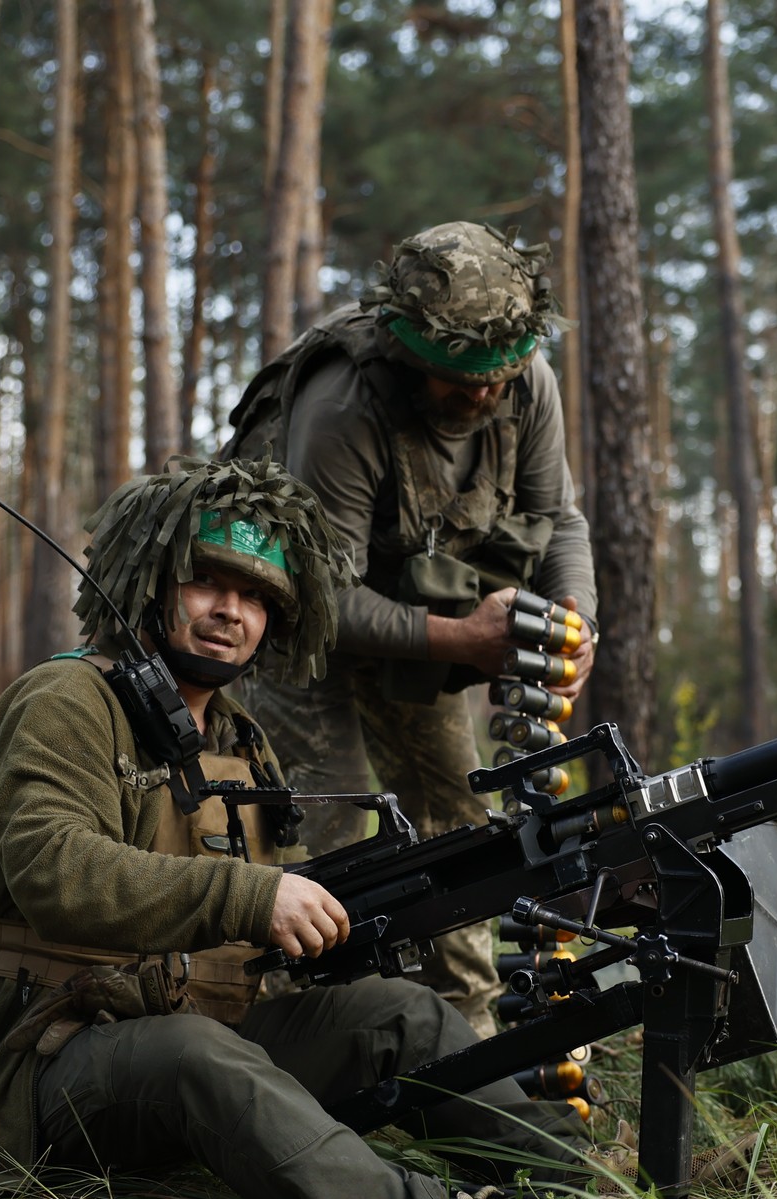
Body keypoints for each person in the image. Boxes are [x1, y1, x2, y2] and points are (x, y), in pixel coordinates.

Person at [0, 459, 611, 1199]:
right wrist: (253, 895)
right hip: (34, 1062)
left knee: (401, 1016)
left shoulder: (239, 739)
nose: (233, 611)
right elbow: (53, 870)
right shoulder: (66, 700)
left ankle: (587, 1194)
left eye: (260, 596)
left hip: (197, 1034)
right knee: (199, 1053)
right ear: (152, 581)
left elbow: (281, 921)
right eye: (207, 582)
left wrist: (378, 909)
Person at [233, 222, 597, 1039]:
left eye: (496, 381)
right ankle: (281, 1032)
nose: (481, 398)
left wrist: (578, 626)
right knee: (316, 817)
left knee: (458, 821)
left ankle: (460, 1041)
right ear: (411, 355)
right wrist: (462, 640)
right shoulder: (343, 409)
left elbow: (558, 519)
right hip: (299, 619)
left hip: (422, 610)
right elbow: (318, 596)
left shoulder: (526, 382)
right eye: (459, 381)